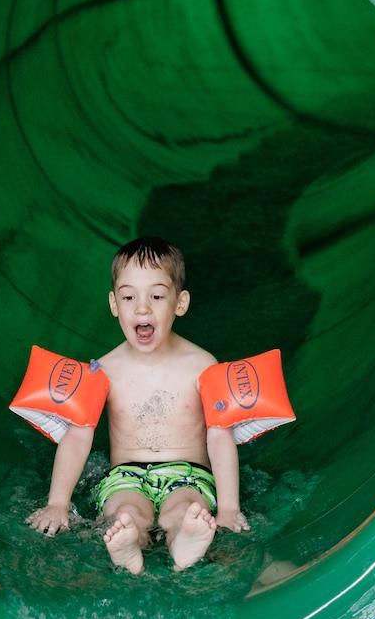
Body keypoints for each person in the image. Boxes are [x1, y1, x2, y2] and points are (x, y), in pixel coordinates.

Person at [25, 237, 251, 574]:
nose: (142, 309)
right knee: (125, 512)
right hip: (125, 476)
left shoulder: (203, 365)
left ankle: (184, 541)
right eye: (129, 297)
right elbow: (78, 436)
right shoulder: (103, 370)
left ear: (180, 303)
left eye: (156, 296)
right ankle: (129, 547)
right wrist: (57, 503)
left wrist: (229, 508)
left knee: (186, 509)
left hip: (188, 474)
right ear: (114, 304)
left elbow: (220, 436)